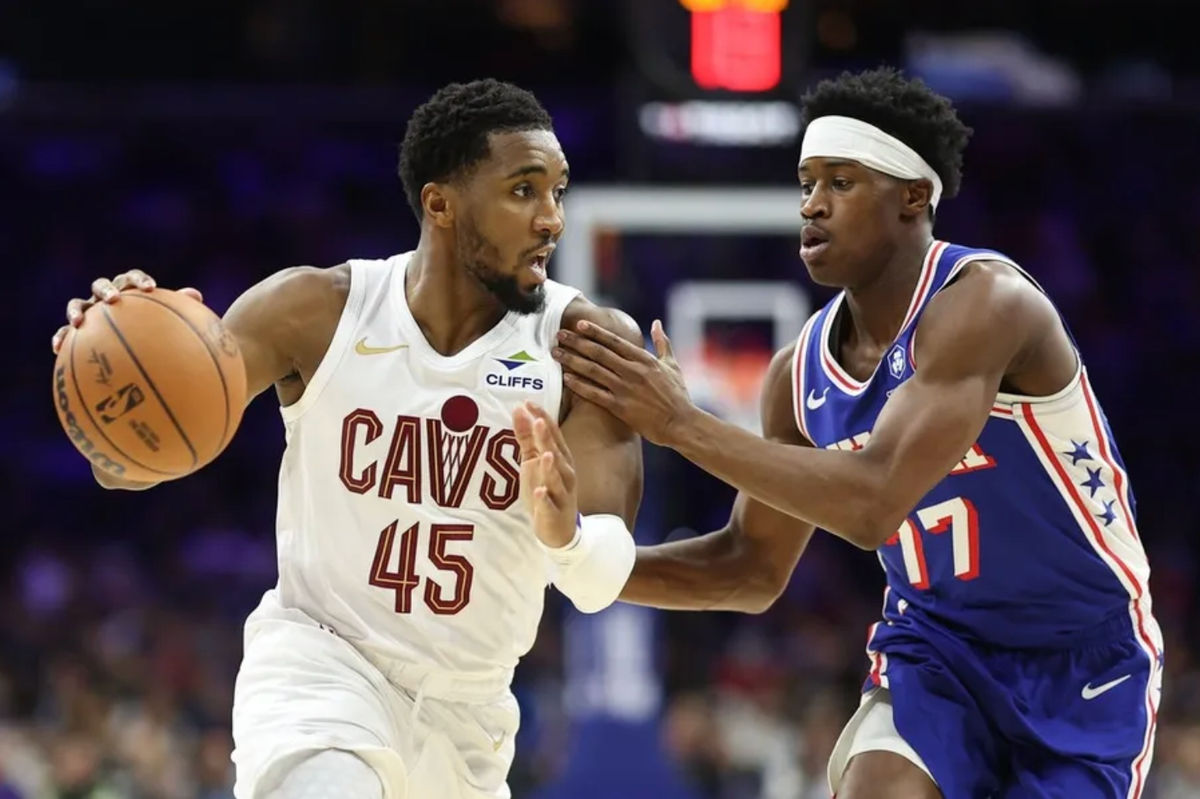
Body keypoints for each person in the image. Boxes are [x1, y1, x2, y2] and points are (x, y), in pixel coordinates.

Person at [530, 67, 1163, 798]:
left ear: (913, 198)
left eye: (840, 182)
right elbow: (748, 567)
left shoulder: (988, 306)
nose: (812, 206)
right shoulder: (795, 375)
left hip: (1082, 657)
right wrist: (579, 560)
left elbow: (873, 504)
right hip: (937, 652)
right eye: (806, 184)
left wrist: (681, 423)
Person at [50, 79, 645, 799]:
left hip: (470, 715)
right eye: (524, 191)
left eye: (558, 192)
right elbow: (132, 468)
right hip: (321, 667)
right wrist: (117, 382)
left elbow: (601, 577)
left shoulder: (584, 344)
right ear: (441, 204)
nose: (551, 218)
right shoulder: (315, 311)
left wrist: (566, 535)